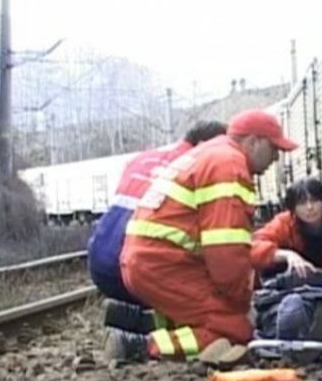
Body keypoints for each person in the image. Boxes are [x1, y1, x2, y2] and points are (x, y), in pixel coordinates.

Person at [106, 109, 298, 365]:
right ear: (253, 142)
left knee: (203, 313)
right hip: (164, 263)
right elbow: (225, 253)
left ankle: (136, 321)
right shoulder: (230, 166)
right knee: (235, 328)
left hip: (146, 258)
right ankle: (140, 346)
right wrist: (242, 303)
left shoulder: (212, 152)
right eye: (274, 148)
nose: (276, 158)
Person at [88, 121, 226, 332]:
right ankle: (148, 324)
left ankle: (131, 312)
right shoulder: (196, 165)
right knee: (211, 308)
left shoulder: (141, 158)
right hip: (135, 271)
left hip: (99, 266)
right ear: (206, 144)